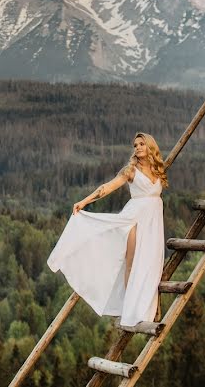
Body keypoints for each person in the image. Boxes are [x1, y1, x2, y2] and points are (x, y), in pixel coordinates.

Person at [46, 132, 167, 328]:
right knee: (132, 263)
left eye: (141, 144)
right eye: (135, 145)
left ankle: (145, 309)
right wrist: (84, 201)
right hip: (134, 220)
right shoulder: (131, 171)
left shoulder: (158, 169)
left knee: (150, 264)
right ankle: (130, 310)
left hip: (153, 224)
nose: (137, 147)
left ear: (150, 146)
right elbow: (107, 187)